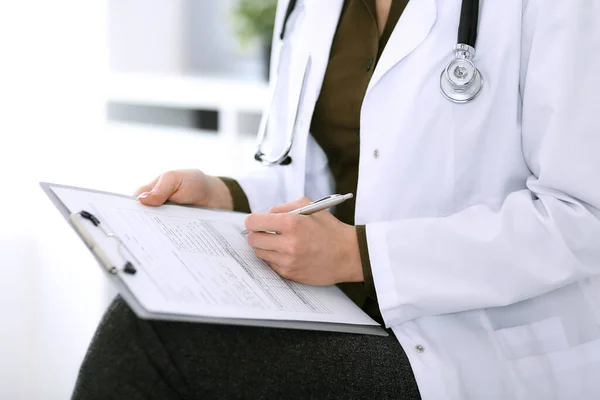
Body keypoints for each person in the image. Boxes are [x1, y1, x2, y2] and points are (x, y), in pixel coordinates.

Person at [72, 0, 600, 399]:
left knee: (146, 338)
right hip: (333, 310)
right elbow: (331, 174)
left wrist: (358, 254)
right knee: (151, 313)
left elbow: (582, 217)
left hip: (481, 351)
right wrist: (225, 196)